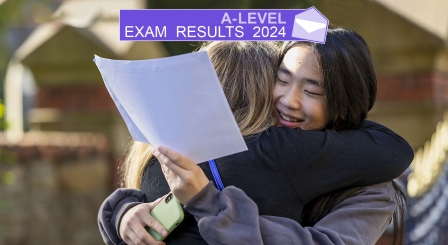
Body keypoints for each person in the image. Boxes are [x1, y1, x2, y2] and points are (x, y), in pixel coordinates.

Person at [98, 32, 412, 245]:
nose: (289, 100)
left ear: (344, 106)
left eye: (313, 91)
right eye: (282, 80)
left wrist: (210, 203)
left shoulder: (369, 184)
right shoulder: (242, 148)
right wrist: (126, 211)